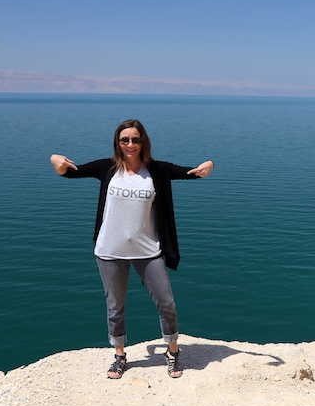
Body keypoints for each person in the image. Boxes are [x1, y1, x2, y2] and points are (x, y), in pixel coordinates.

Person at [50, 119, 214, 379]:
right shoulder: (107, 168)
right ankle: (119, 356)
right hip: (109, 250)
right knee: (115, 307)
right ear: (118, 142)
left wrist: (209, 165)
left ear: (143, 142)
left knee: (166, 302)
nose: (130, 144)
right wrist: (54, 157)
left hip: (148, 250)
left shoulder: (156, 170)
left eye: (135, 139)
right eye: (125, 139)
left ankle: (172, 352)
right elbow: (70, 171)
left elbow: (191, 173)